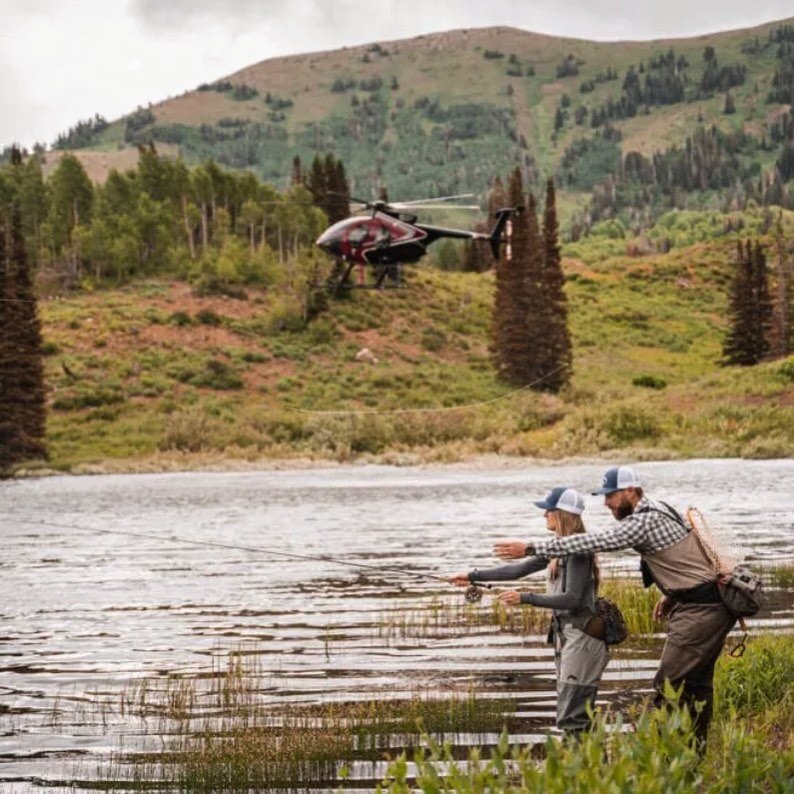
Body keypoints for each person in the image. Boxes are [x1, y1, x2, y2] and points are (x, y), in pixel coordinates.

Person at [494, 466, 736, 747]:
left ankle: (674, 757)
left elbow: (599, 540)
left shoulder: (644, 521)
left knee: (668, 684)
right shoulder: (662, 508)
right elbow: (690, 560)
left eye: (611, 495)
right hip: (704, 603)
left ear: (631, 492)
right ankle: (694, 751)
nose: (606, 503)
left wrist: (531, 547)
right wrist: (674, 594)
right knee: (696, 684)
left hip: (701, 610)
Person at [450, 486, 608, 737]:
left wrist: (524, 598)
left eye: (548, 511)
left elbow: (572, 599)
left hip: (582, 640)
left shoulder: (578, 552)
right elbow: (516, 570)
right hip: (567, 637)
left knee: (573, 717)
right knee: (570, 714)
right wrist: (471, 576)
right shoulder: (557, 548)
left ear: (562, 514)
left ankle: (589, 771)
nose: (544, 515)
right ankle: (585, 770)